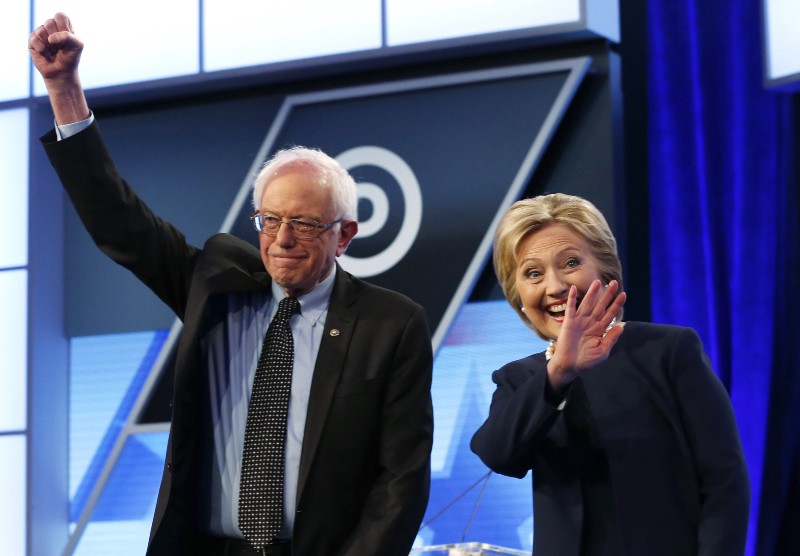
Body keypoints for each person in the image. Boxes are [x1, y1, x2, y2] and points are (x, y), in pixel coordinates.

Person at [30, 13, 433, 556]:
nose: (283, 239)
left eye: (306, 225)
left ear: (345, 236)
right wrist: (64, 90)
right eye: (270, 220)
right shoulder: (217, 285)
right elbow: (118, 222)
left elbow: (400, 481)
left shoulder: (390, 324)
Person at [470, 193, 750, 555]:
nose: (555, 287)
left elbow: (724, 481)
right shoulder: (520, 378)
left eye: (571, 263)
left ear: (605, 267)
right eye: (533, 273)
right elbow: (497, 454)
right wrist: (559, 371)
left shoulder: (668, 351)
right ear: (518, 295)